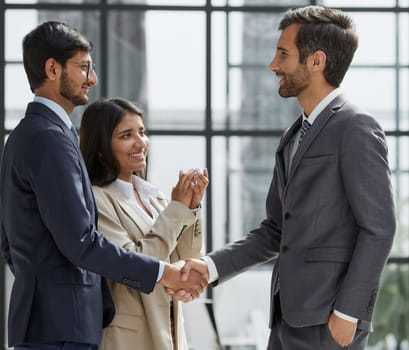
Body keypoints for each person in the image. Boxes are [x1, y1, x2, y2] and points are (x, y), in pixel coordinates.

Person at [178, 5, 396, 350]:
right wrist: (210, 267)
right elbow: (276, 229)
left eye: (283, 54)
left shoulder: (355, 127)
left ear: (316, 61)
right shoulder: (294, 135)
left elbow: (379, 227)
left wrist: (349, 313)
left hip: (329, 323)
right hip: (285, 319)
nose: (273, 65)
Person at [0, 21, 206, 350]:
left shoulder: (31, 134)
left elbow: (11, 244)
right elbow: (81, 242)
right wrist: (161, 273)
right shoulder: (49, 138)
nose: (92, 79)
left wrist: (40, 285)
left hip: (52, 322)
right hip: (64, 326)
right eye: (83, 68)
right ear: (52, 69)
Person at [79, 97, 208, 350]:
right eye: (127, 135)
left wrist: (191, 207)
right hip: (130, 339)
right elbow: (134, 263)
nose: (141, 142)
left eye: (142, 132)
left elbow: (189, 258)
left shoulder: (155, 198)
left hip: (170, 334)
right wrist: (177, 209)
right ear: (102, 147)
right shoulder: (97, 199)